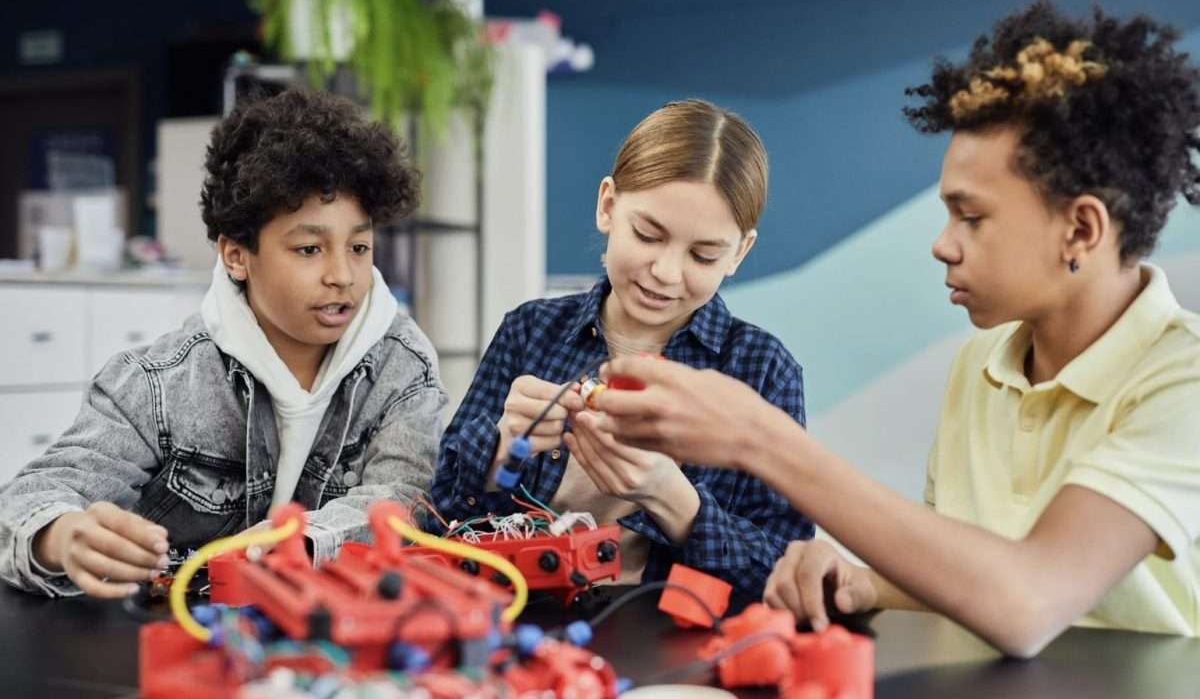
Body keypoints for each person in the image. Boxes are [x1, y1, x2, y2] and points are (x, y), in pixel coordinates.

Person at [588, 0, 1200, 655]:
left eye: (972, 218)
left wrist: (757, 437)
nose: (942, 244)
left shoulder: (1183, 381)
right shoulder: (982, 364)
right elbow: (961, 576)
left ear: (1080, 228)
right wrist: (863, 582)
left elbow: (1028, 601)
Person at [0, 88, 448, 598]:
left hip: (337, 630)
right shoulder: (159, 384)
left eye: (359, 247)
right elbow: (29, 499)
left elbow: (405, 500)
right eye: (309, 249)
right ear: (236, 256)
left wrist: (303, 543)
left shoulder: (402, 365)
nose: (342, 275)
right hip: (182, 630)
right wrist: (60, 536)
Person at [429, 99, 813, 597]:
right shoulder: (531, 331)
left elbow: (787, 575)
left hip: (670, 631)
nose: (666, 272)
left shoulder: (763, 372)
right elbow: (435, 517)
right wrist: (501, 447)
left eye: (703, 255)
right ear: (608, 206)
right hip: (516, 612)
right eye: (648, 235)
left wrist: (674, 499)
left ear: (739, 252)